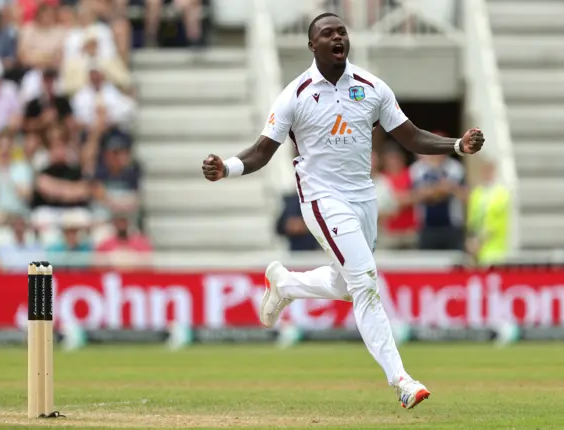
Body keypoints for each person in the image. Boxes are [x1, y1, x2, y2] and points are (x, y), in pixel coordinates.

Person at [201, 12, 484, 410]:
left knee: (345, 284)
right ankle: (402, 380)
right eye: (327, 33)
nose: (337, 37)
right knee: (366, 284)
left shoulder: (371, 87)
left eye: (342, 32)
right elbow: (263, 151)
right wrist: (226, 167)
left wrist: (457, 146)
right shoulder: (295, 94)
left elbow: (411, 136)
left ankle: (285, 285)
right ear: (312, 45)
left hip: (363, 199)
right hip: (322, 200)